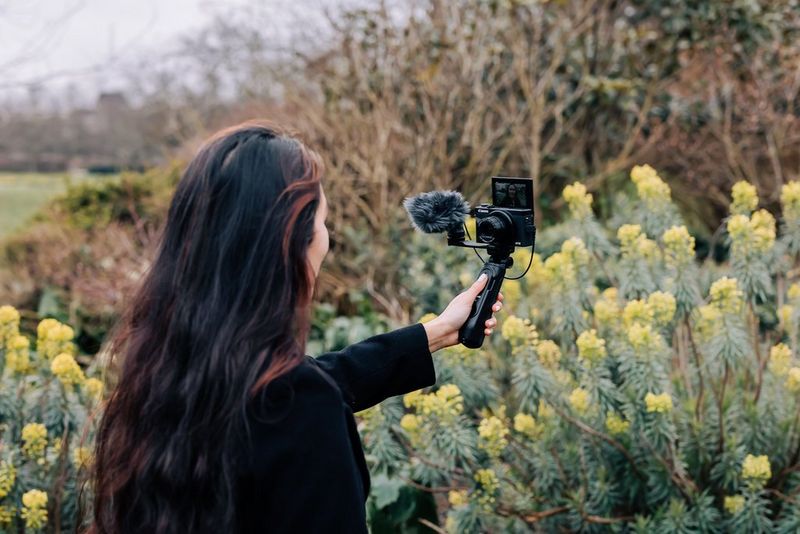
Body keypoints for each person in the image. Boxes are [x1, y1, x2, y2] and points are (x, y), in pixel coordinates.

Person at [87, 121, 502, 533]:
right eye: (323, 221)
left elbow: (302, 385)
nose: (327, 239)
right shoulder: (299, 407)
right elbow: (298, 397)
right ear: (289, 241)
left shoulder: (167, 366)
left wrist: (433, 334)